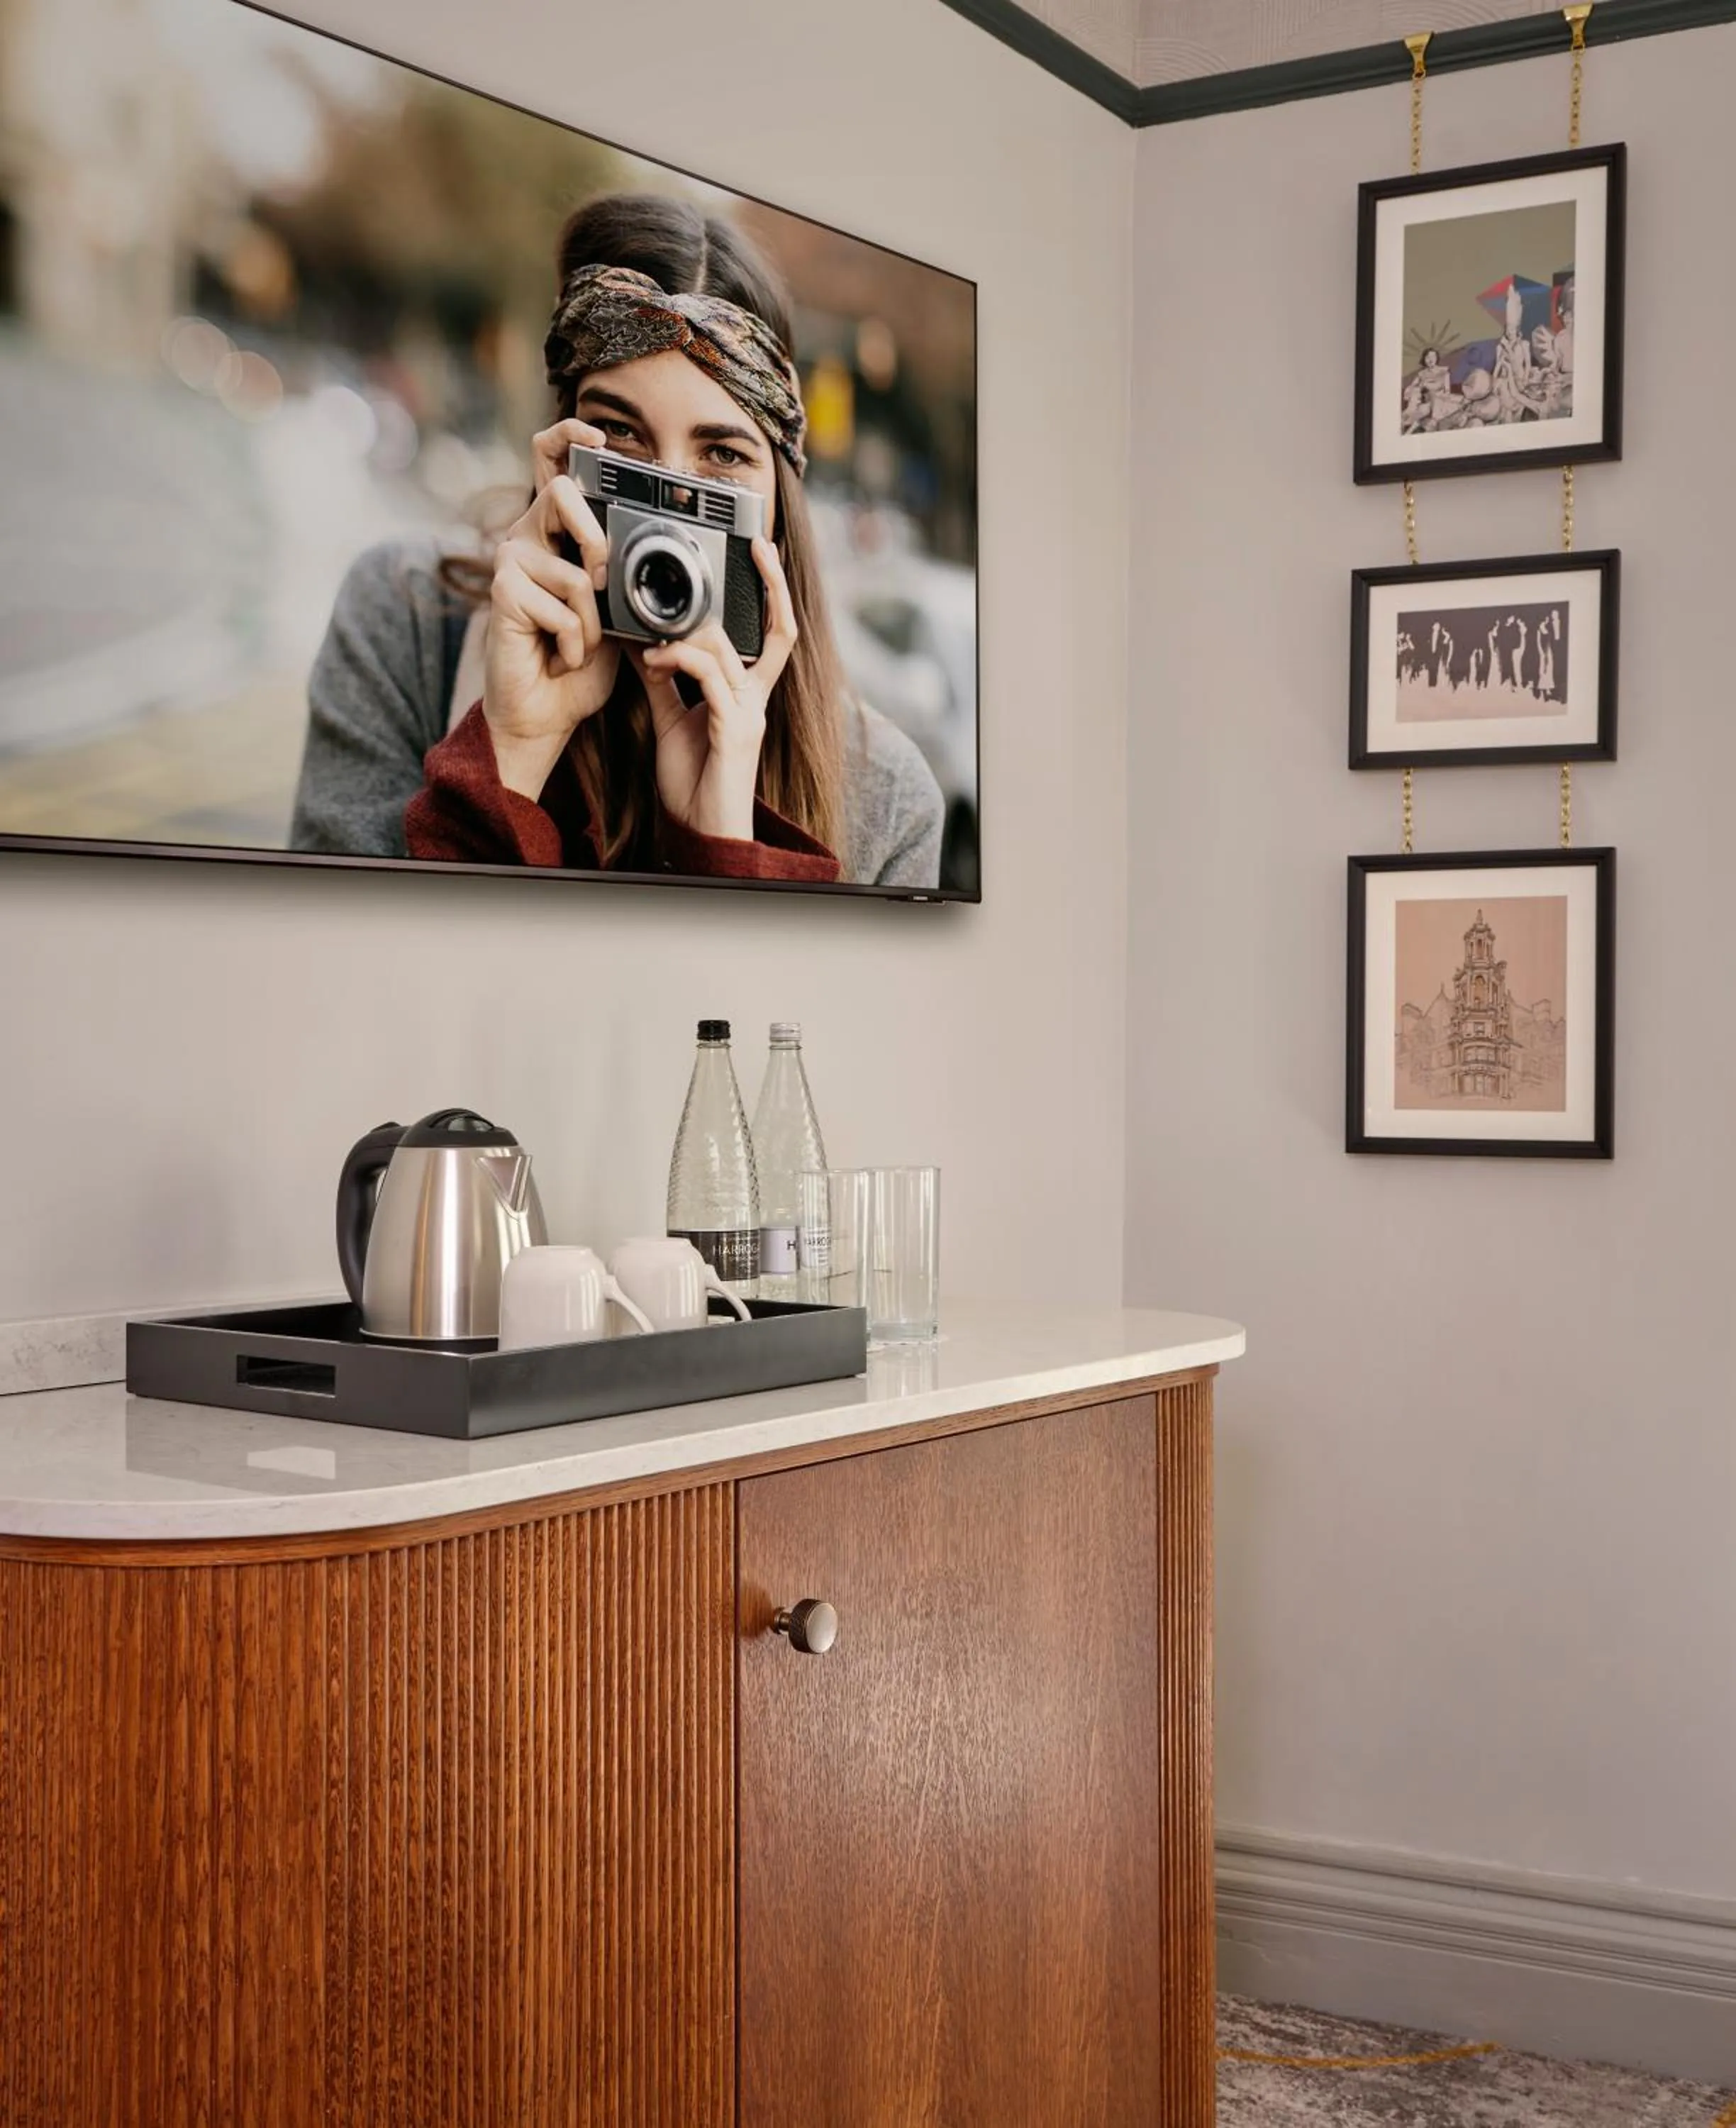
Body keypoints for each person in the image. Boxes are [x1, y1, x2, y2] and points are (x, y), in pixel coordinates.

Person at [290, 194, 944, 887]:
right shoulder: (407, 623)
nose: (669, 522)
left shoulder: (889, 803)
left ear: (780, 501)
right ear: (560, 452)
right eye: (622, 437)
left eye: (721, 456)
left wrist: (720, 847)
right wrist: (508, 755)